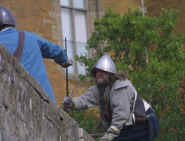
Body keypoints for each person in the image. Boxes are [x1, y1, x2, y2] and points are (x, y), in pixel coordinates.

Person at [63, 54, 159, 141]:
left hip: (144, 124)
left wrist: (110, 135)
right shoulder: (98, 89)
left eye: (103, 72)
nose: (99, 74)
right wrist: (72, 102)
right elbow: (84, 100)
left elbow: (121, 115)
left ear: (110, 75)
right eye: (97, 72)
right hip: (128, 126)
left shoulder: (120, 88)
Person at [0, 6, 71, 104]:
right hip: (45, 100)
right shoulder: (29, 37)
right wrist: (64, 60)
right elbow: (56, 51)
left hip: (16, 102)